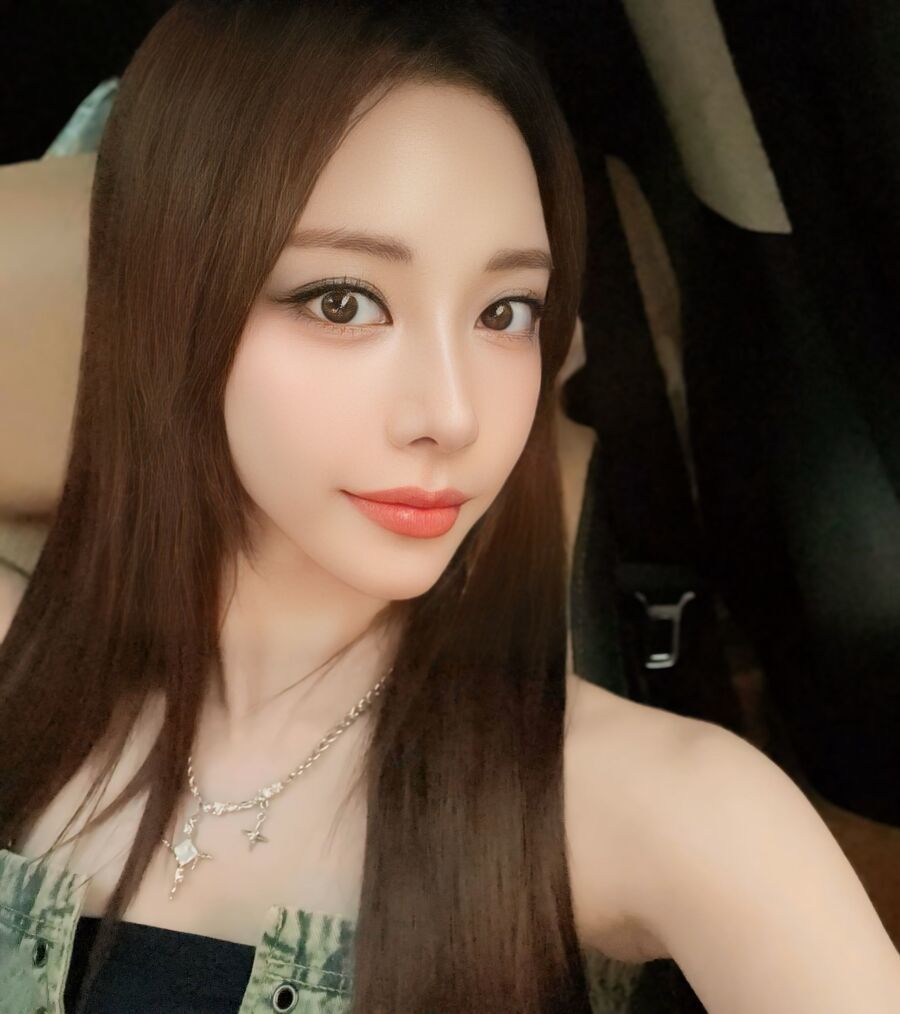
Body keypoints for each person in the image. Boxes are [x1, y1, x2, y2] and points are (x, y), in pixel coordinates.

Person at [1, 2, 899, 1012]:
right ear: (164, 303)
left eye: (504, 313)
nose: (454, 415)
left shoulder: (660, 808)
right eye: (344, 301)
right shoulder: (22, 674)